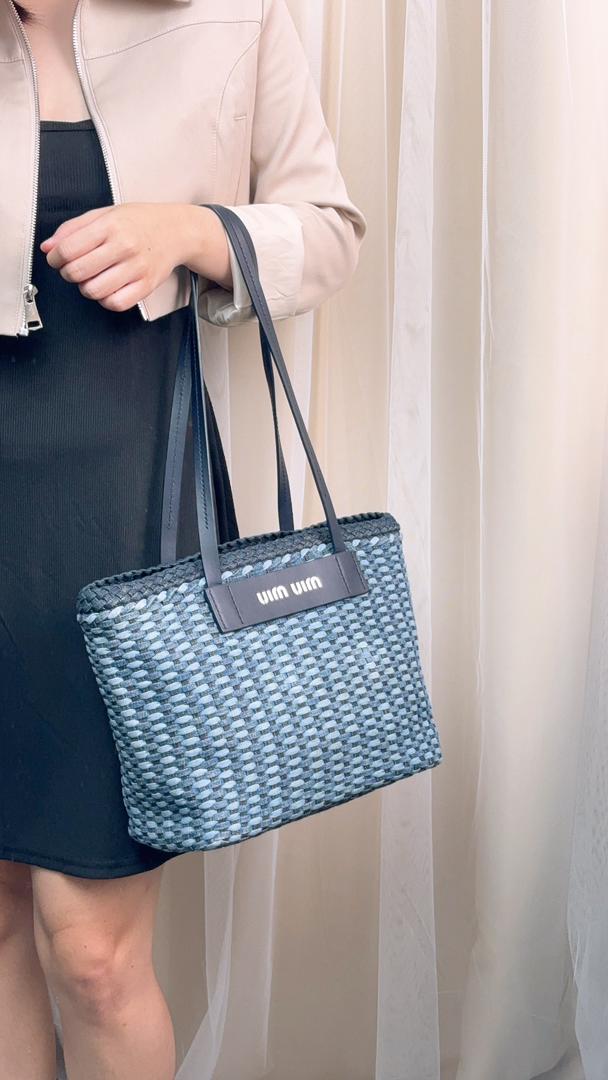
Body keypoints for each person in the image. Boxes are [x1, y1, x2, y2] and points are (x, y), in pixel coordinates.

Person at [0, 0, 366, 1076]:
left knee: (94, 955)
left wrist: (195, 231)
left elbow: (328, 228)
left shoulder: (232, 16)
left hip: (114, 516)